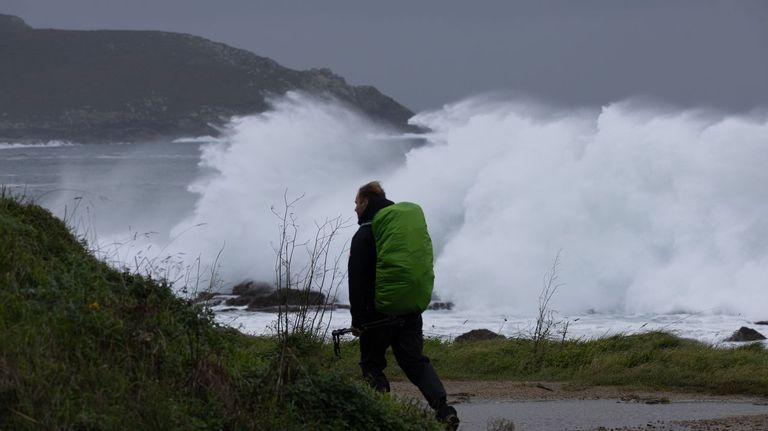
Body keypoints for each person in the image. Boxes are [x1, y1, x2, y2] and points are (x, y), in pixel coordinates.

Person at [348, 181, 459, 428]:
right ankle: (444, 410)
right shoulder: (400, 231)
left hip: (377, 314)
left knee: (372, 364)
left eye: (356, 203)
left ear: (366, 202)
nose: (354, 209)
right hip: (409, 310)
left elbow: (357, 280)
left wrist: (358, 319)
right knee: (415, 362)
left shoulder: (366, 233)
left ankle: (380, 416)